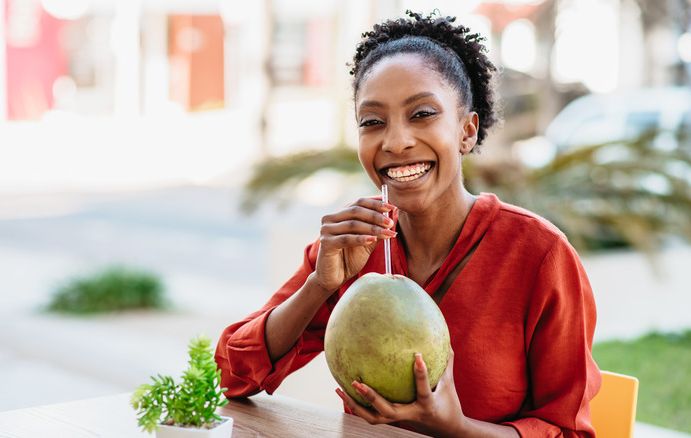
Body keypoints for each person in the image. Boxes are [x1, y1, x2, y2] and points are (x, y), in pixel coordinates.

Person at [215, 10, 600, 437]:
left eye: (422, 114)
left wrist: (456, 428)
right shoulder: (352, 247)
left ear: (467, 131)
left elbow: (568, 432)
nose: (395, 141)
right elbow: (232, 375)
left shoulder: (539, 254)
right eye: (373, 122)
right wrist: (319, 286)